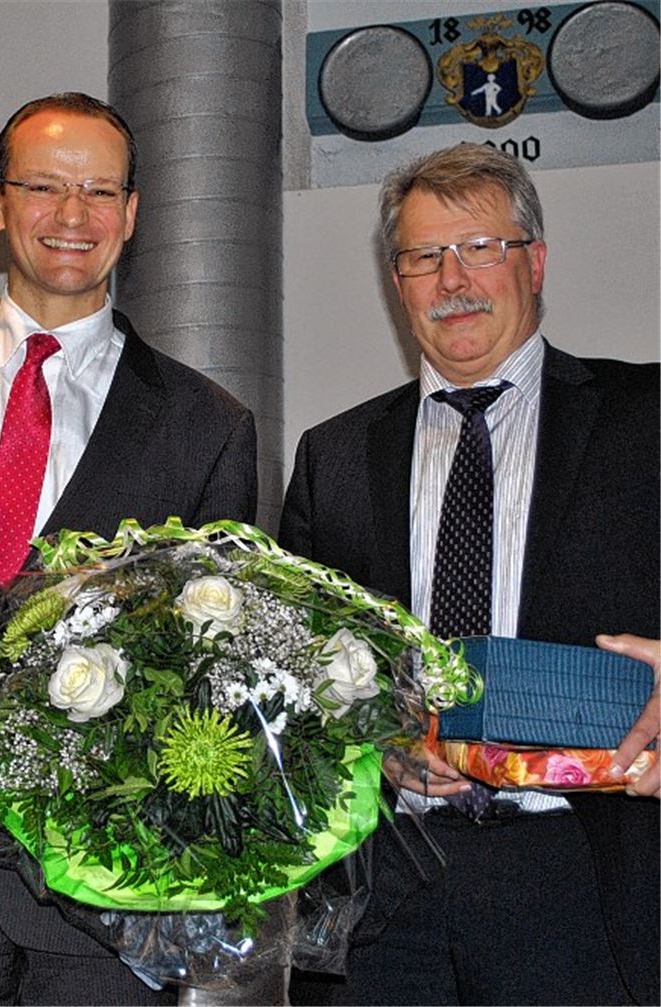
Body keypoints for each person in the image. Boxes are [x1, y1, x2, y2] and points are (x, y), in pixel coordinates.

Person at [0, 92, 258, 1005]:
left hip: (107, 880)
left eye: (99, 192)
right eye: (44, 187)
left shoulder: (208, 426)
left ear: (133, 215)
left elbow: (215, 670)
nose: (73, 217)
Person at [279, 142, 659, 1005]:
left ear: (535, 261)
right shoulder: (333, 455)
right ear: (397, 280)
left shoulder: (648, 420)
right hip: (383, 879)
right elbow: (293, 673)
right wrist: (375, 745)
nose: (454, 278)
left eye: (481, 247)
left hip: (582, 871)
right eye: (424, 256)